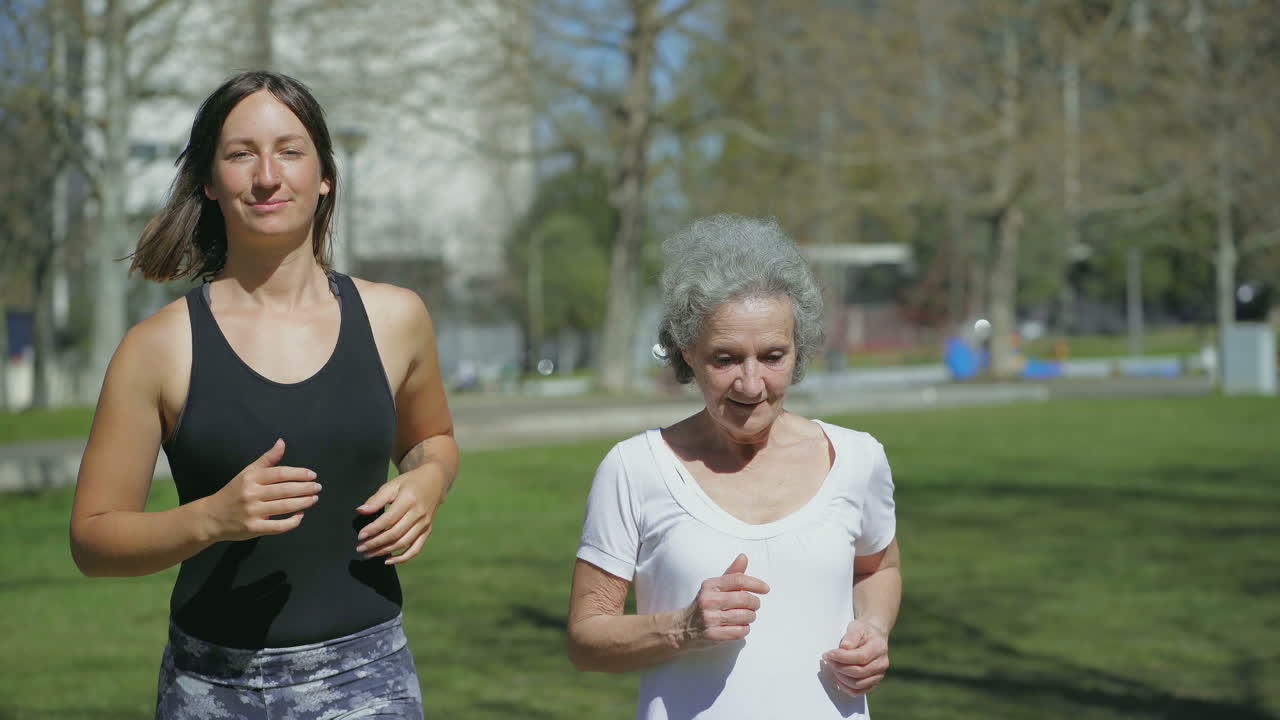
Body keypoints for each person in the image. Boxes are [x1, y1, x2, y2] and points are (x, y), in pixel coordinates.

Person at [69, 70, 458, 719]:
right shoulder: (157, 349)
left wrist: (427, 483)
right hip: (212, 688)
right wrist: (210, 519)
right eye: (240, 153)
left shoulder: (397, 319)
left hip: (369, 681)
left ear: (325, 175)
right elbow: (93, 539)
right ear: (209, 181)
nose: (267, 175)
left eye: (290, 150)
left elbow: (432, 440)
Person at [567, 215, 901, 719]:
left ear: (799, 350)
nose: (750, 384)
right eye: (725, 358)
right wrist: (682, 628)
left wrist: (873, 630)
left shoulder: (856, 459)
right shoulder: (635, 469)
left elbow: (880, 566)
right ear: (688, 354)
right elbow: (585, 638)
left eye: (773, 356)